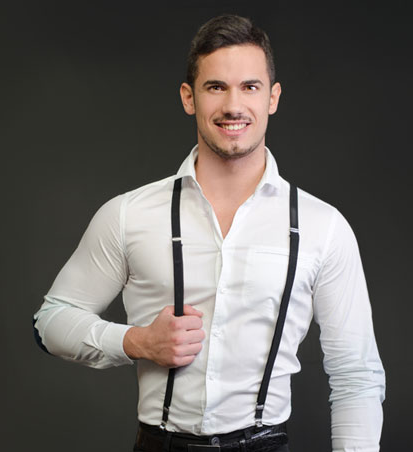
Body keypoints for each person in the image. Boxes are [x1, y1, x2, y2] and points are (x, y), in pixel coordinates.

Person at [33, 14, 385, 452]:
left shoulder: (323, 227)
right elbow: (51, 322)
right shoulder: (128, 214)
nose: (233, 105)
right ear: (189, 97)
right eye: (216, 87)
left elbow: (356, 374)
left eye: (250, 87)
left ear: (273, 97)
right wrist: (136, 341)